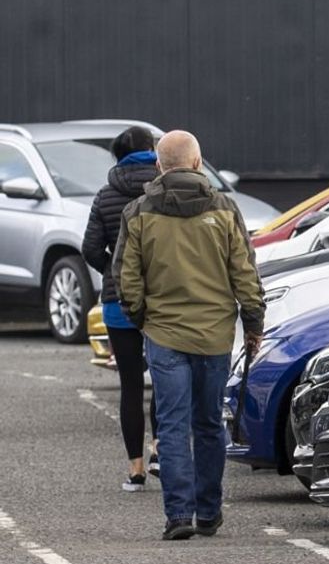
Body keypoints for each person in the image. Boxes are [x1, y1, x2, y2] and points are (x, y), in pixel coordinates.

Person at [115, 130, 264, 540]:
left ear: (160, 166)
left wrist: (142, 316)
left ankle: (178, 515)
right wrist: (253, 323)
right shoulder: (225, 209)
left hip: (164, 333)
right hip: (215, 334)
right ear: (198, 163)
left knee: (173, 425)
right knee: (209, 424)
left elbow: (126, 277)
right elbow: (244, 274)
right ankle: (209, 511)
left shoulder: (139, 212)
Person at [81, 126, 161, 491]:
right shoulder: (164, 189)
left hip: (118, 302)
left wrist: (114, 272)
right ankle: (161, 449)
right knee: (165, 379)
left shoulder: (105, 194)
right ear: (151, 149)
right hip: (163, 299)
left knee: (130, 385)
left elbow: (91, 248)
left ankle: (135, 470)